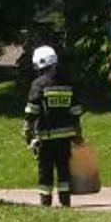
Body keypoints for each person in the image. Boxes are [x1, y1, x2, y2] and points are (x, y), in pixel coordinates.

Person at [22, 46, 83, 207]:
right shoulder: (67, 82)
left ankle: (45, 201)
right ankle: (65, 201)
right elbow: (76, 109)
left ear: (38, 65)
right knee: (64, 169)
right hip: (65, 136)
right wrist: (77, 131)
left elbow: (32, 109)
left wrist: (27, 127)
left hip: (46, 136)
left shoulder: (38, 84)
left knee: (45, 170)